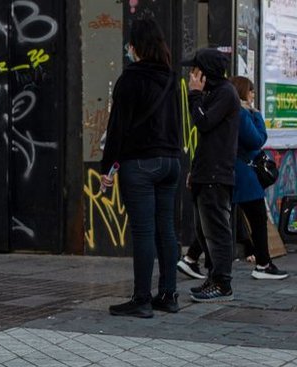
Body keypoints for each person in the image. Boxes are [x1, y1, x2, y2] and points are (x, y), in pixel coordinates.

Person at [100, 19, 182, 318]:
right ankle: (169, 294)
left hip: (141, 164)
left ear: (135, 47)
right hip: (170, 162)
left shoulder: (131, 79)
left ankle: (142, 299)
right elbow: (177, 123)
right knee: (167, 230)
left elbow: (117, 127)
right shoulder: (172, 79)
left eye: (130, 45)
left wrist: (107, 168)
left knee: (144, 232)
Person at [182, 48, 240, 302]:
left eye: (196, 70)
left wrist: (194, 95)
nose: (192, 75)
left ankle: (222, 282)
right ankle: (213, 276)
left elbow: (203, 123)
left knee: (217, 231)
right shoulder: (214, 93)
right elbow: (204, 138)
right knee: (202, 229)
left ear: (206, 73)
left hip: (217, 174)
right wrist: (195, 171)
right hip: (205, 173)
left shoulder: (226, 93)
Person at [228, 76, 288, 280]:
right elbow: (257, 139)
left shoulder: (231, 111)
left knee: (220, 217)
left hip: (237, 172)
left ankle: (192, 257)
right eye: (251, 91)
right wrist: (257, 116)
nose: (253, 94)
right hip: (246, 176)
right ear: (243, 91)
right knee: (258, 220)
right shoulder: (243, 113)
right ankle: (263, 264)